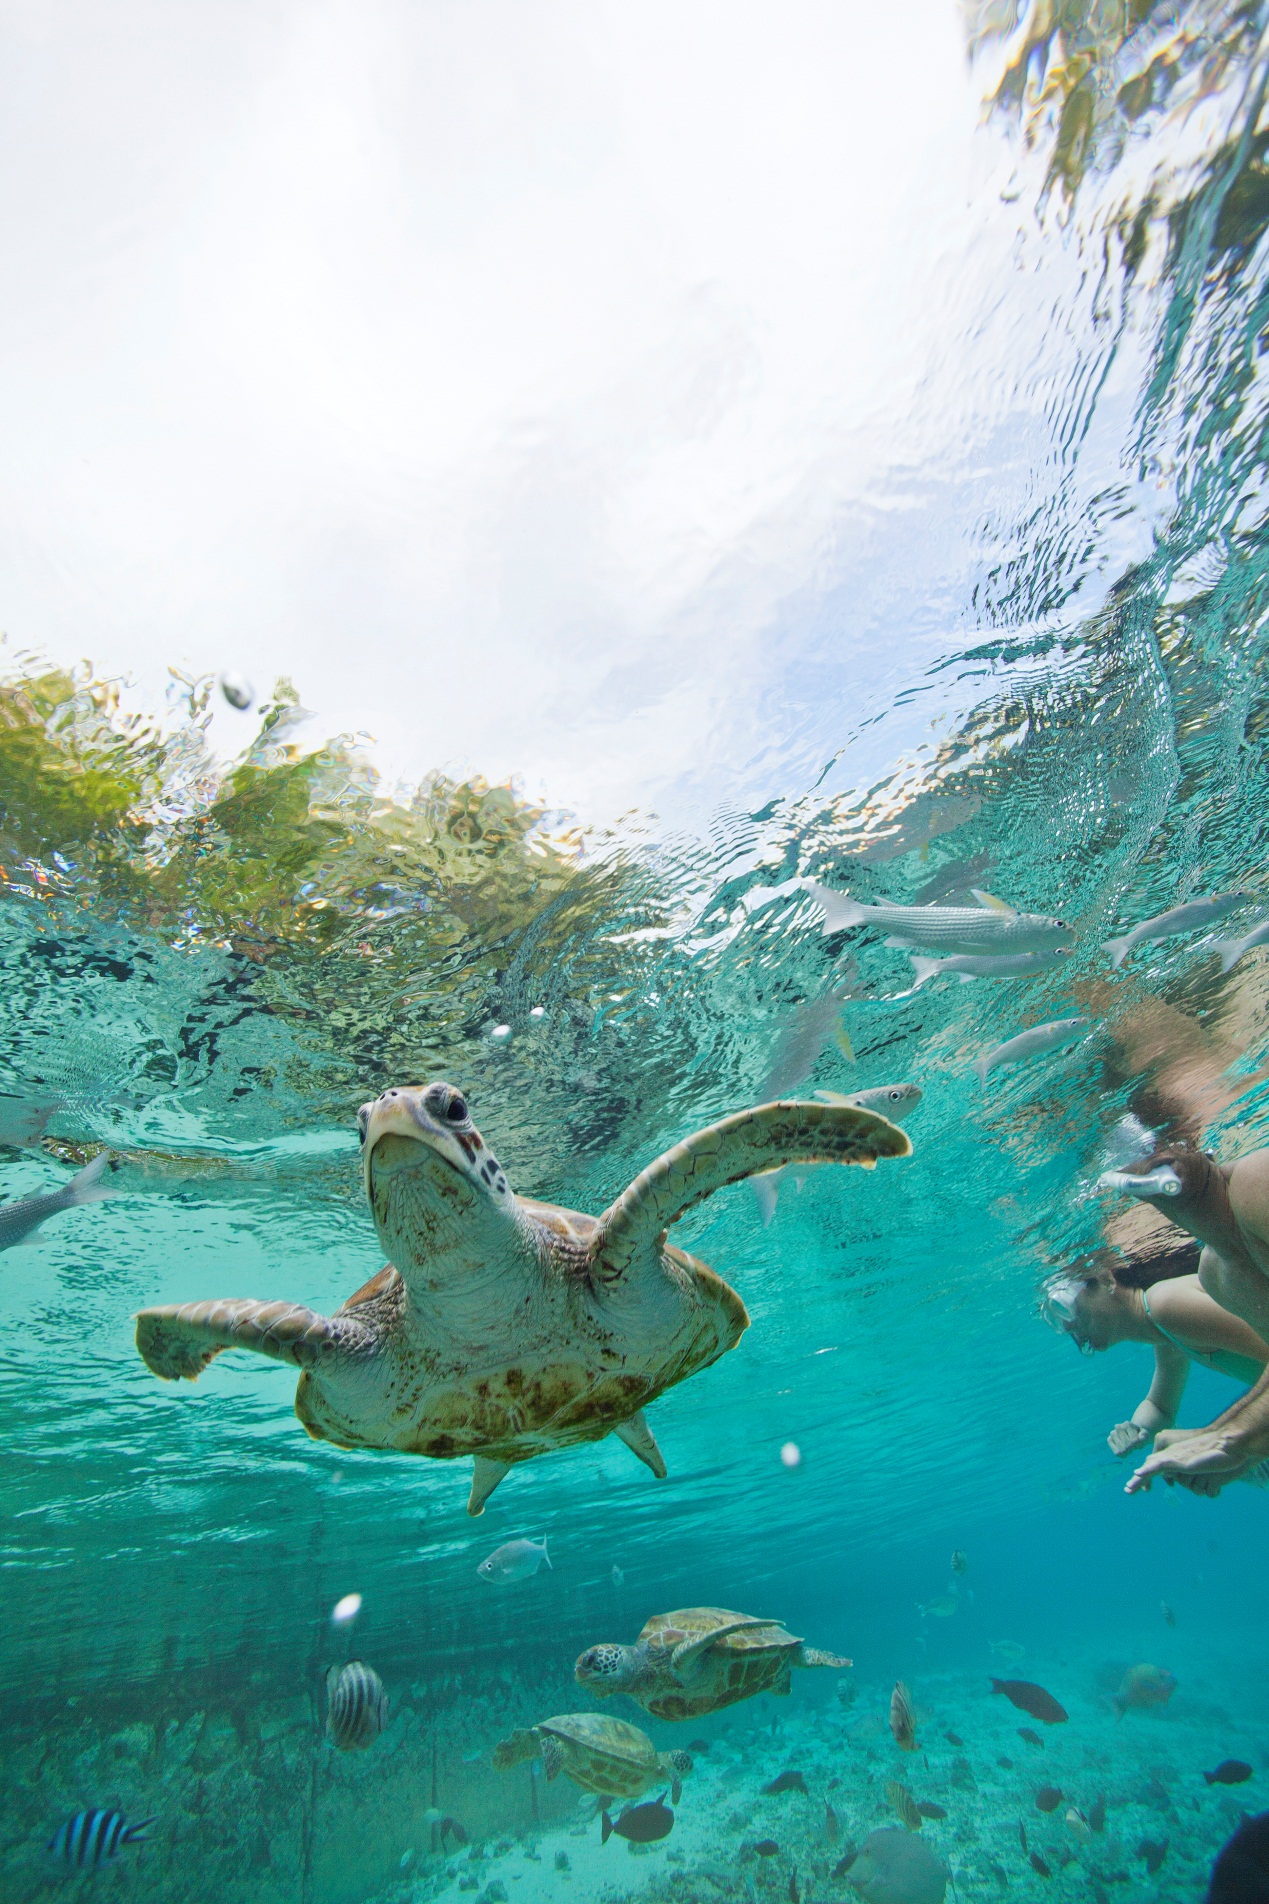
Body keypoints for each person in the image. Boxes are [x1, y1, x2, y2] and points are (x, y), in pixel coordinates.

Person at [1098, 1145, 1269, 1494]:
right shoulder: (1218, 1275)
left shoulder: (1255, 1181)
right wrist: (1234, 1452)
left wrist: (1231, 1439)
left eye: (1169, 1145)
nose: (1154, 1156)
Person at [1045, 1242, 1269, 1470]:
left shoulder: (1167, 1304)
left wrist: (1223, 1442)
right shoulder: (1164, 1332)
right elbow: (1160, 1407)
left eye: (1070, 1306)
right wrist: (1136, 1429)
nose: (1071, 1326)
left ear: (1106, 1280)